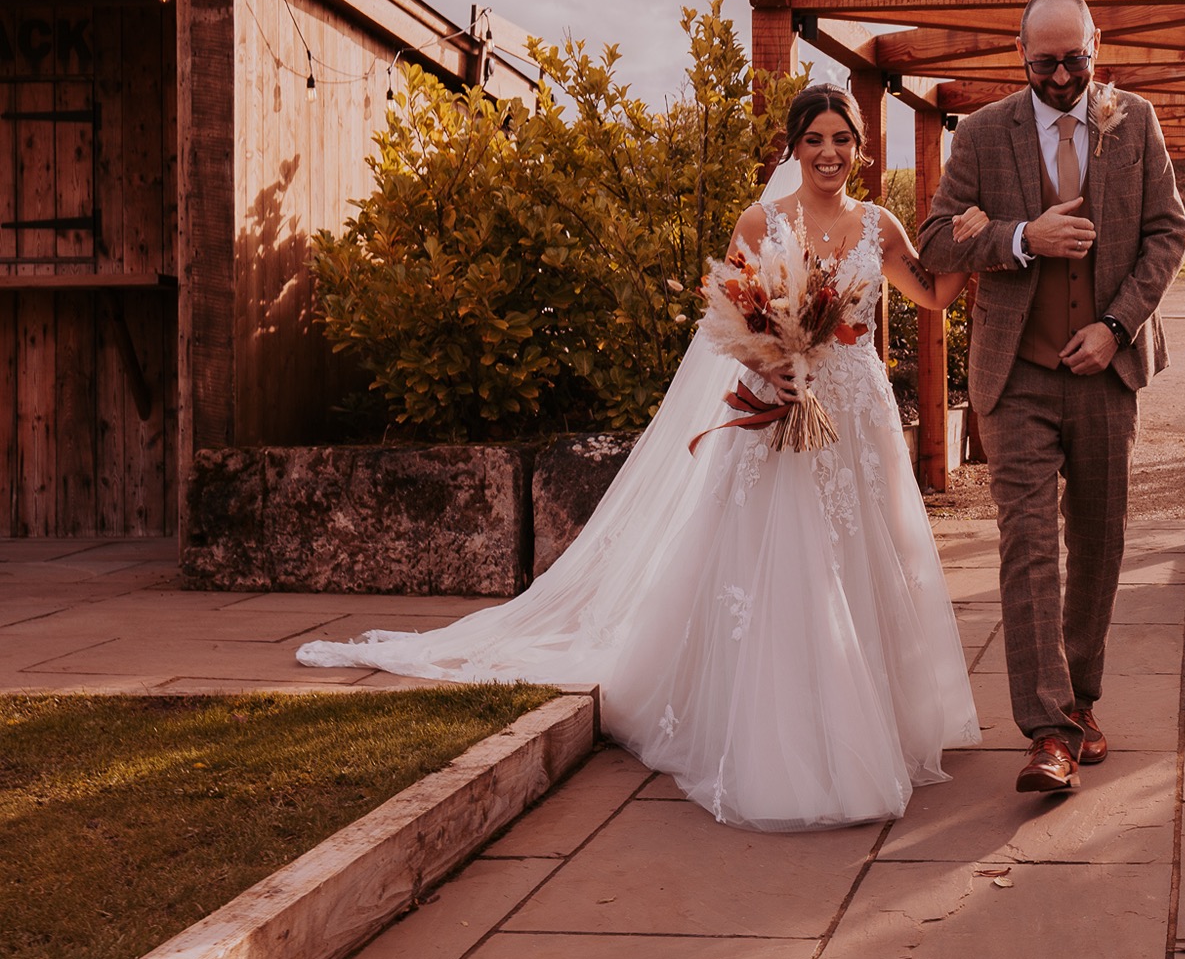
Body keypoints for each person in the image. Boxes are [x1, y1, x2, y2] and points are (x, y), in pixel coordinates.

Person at [300, 83, 987, 832]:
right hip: (778, 412)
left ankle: (874, 715)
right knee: (788, 563)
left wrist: (977, 245)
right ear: (793, 147)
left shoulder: (878, 225)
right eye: (815, 138)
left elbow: (932, 293)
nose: (829, 153)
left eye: (842, 139)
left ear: (860, 148)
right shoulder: (762, 221)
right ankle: (790, 733)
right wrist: (777, 362)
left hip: (856, 417)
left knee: (864, 557)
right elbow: (728, 322)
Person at [916, 0, 1185, 793]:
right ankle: (1048, 731)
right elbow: (936, 238)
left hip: (1106, 374)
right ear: (1020, 53)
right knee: (1026, 544)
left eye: (1077, 60)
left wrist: (1116, 325)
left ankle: (1083, 697)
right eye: (1046, 62)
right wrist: (1019, 239)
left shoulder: (1134, 121)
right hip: (1017, 376)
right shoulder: (982, 134)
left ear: (1096, 48)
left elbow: (1168, 232)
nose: (1064, 77)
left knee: (1099, 542)